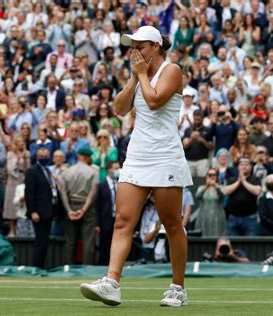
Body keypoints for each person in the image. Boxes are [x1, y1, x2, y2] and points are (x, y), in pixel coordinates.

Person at [80, 26, 193, 307]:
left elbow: (154, 101)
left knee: (171, 224)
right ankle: (111, 283)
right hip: (138, 156)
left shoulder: (172, 70)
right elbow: (119, 109)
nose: (135, 52)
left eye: (140, 46)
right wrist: (133, 77)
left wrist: (141, 75)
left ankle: (178, 288)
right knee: (122, 220)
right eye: (133, 47)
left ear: (156, 47)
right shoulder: (137, 73)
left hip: (166, 155)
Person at [25, 147, 61, 269]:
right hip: (39, 212)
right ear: (37, 157)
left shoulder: (48, 171)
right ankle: (37, 267)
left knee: (44, 241)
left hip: (49, 211)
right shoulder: (32, 171)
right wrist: (33, 211)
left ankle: (41, 266)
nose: (44, 158)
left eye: (46, 156)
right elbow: (29, 193)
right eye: (41, 156)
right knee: (40, 241)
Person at [61, 148, 99, 265]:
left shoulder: (67, 171)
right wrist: (83, 210)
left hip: (71, 205)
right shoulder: (93, 171)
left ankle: (68, 267)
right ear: (86, 157)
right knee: (88, 240)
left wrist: (68, 210)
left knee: (70, 241)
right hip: (86, 207)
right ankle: (87, 268)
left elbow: (63, 193)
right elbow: (93, 192)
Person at [222, 158, 262, 236]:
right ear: (238, 167)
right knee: (233, 244)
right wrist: (238, 182)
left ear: (251, 167)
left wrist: (244, 181)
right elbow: (225, 191)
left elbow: (257, 191)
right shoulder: (231, 179)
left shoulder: (255, 179)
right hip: (233, 218)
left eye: (246, 165)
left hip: (250, 218)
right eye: (242, 165)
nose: (244, 166)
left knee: (250, 245)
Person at [96, 160, 120, 266]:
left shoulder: (120, 184)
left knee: (117, 245)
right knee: (105, 246)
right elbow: (97, 206)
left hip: (118, 220)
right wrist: (97, 224)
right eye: (115, 168)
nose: (117, 171)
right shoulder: (101, 185)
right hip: (105, 220)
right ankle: (103, 267)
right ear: (108, 169)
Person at [194, 168, 226, 237]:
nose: (212, 177)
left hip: (217, 216)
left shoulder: (220, 187)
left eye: (214, 175)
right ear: (207, 176)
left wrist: (217, 187)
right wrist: (206, 186)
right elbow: (197, 196)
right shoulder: (201, 187)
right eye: (210, 175)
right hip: (204, 216)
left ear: (217, 176)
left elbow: (221, 197)